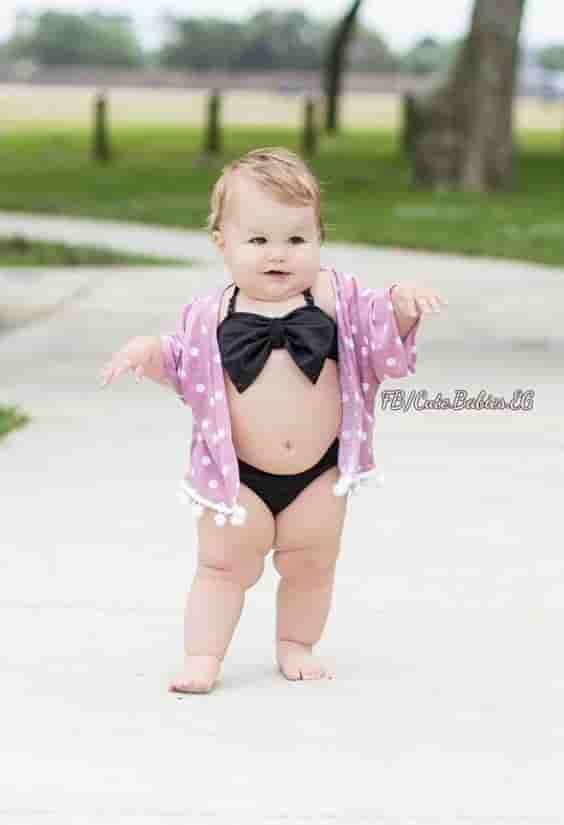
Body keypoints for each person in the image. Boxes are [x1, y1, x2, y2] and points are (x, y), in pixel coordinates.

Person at [98, 147, 447, 694]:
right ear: (222, 243)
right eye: (258, 240)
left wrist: (401, 305)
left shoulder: (338, 299)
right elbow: (187, 367)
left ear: (318, 238)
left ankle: (296, 643)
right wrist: (151, 352)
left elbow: (382, 346)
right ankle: (203, 656)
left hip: (321, 472)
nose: (277, 254)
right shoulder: (211, 314)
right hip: (237, 476)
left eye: (296, 239)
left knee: (311, 564)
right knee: (221, 568)